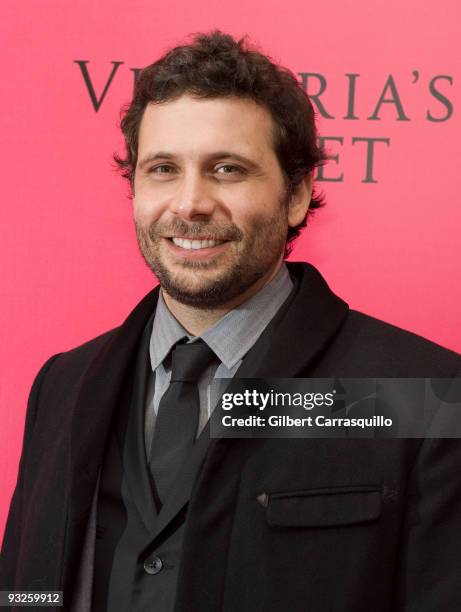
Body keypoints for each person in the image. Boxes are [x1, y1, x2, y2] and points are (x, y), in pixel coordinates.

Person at [1, 31, 460, 612]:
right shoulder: (63, 384)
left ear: (296, 195)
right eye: (163, 168)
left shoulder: (428, 396)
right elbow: (25, 587)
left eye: (226, 169)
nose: (190, 202)